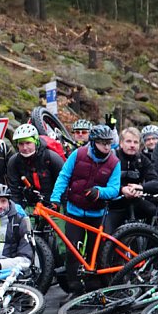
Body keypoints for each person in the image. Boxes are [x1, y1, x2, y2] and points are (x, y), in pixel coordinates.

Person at [51, 124, 121, 295]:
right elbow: (64, 176)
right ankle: (74, 288)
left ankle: (93, 288)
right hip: (74, 211)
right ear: (93, 142)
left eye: (109, 143)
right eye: (102, 143)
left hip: (97, 214)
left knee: (95, 252)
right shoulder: (78, 154)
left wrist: (99, 192)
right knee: (72, 251)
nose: (107, 147)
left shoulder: (114, 162)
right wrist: (55, 198)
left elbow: (115, 188)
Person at [105, 127, 158, 233]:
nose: (132, 145)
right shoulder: (111, 158)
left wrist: (141, 188)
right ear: (121, 143)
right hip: (114, 203)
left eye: (135, 142)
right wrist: (122, 189)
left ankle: (151, 241)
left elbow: (155, 180)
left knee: (154, 212)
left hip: (135, 200)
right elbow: (103, 180)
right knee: (108, 234)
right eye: (128, 141)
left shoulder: (142, 160)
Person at [6, 123, 65, 207]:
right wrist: (17, 209)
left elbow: (63, 183)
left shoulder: (51, 158)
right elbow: (14, 190)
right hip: (29, 204)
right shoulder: (14, 162)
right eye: (21, 144)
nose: (25, 148)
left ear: (36, 142)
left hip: (53, 203)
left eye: (28, 143)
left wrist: (58, 204)